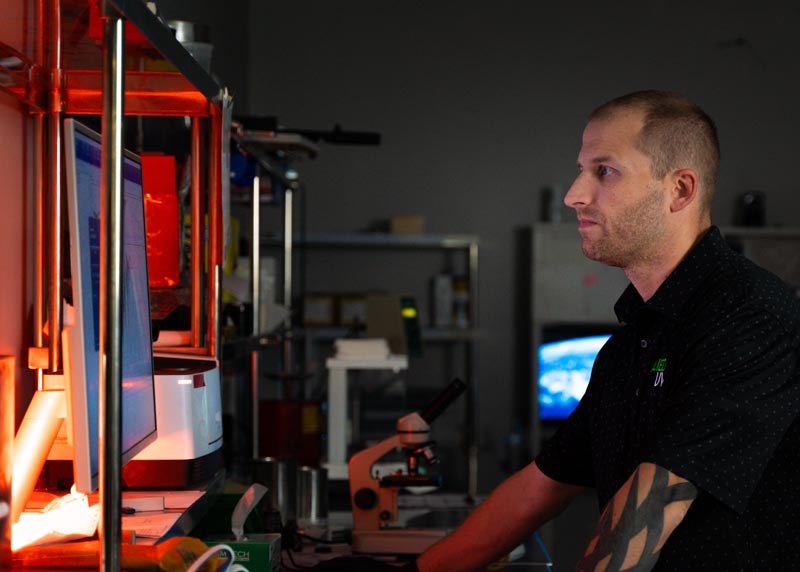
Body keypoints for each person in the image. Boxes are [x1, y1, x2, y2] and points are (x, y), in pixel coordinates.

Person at [315, 90, 800, 571]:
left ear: (680, 190)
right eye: (581, 169)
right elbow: (542, 485)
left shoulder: (752, 318)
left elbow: (648, 510)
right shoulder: (630, 345)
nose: (574, 194)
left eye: (604, 171)